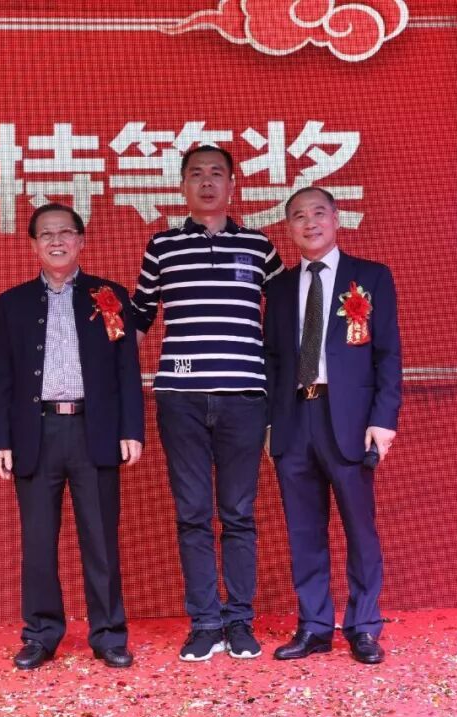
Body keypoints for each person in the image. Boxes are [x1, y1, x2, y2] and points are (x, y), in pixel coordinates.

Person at [131, 145, 284, 661]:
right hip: (181, 398)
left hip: (245, 398)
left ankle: (239, 620)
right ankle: (204, 622)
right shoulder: (162, 246)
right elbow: (138, 317)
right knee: (192, 514)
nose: (207, 182)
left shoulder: (259, 246)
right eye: (196, 174)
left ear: (233, 186)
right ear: (182, 187)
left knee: (238, 514)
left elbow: (286, 317)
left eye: (217, 174)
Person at [0, 203, 144, 671]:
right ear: (33, 245)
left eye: (65, 232)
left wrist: (130, 430)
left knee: (101, 540)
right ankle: (40, 634)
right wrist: (1, 440)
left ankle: (109, 635)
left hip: (94, 431)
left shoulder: (109, 296)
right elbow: (2, 379)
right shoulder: (11, 304)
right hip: (35, 434)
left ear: (81, 240)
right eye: (46, 234)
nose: (56, 241)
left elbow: (126, 370)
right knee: (38, 543)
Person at [263, 186, 401, 664]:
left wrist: (383, 420)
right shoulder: (278, 288)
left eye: (318, 213)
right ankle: (315, 625)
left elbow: (388, 355)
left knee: (360, 529)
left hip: (350, 420)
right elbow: (272, 361)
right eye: (298, 216)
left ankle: (363, 626)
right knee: (304, 531)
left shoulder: (371, 277)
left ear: (337, 219)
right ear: (288, 228)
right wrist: (270, 424)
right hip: (293, 419)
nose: (310, 223)